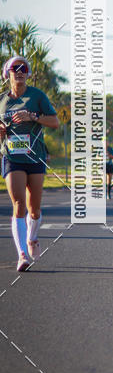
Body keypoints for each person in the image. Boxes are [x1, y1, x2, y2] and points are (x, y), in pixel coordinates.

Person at [0, 56, 59, 271]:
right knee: (18, 204)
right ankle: (22, 254)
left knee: (34, 209)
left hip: (35, 157)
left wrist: (32, 116)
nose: (20, 71)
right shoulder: (2, 100)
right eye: (15, 68)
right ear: (7, 73)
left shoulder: (37, 96)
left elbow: (54, 121)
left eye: (24, 68)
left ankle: (32, 238)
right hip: (12, 156)